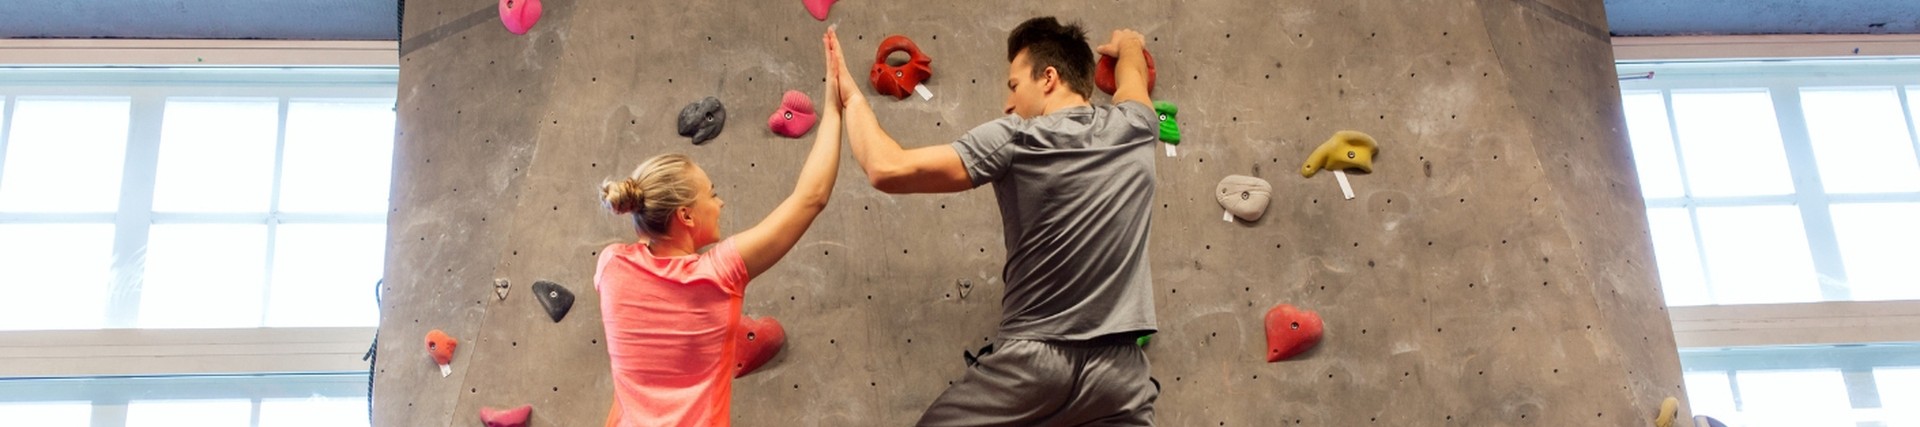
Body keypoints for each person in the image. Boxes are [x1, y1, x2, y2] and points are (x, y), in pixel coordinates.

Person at [823, 17, 1161, 426]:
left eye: (1014, 85)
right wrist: (1128, 44)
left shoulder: (1018, 137)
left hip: (1034, 363)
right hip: (1121, 378)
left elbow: (885, 168)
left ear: (1049, 78)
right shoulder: (1137, 126)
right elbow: (1132, 78)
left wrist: (850, 96)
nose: (1008, 102)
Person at [593, 29, 845, 427]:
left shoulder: (609, 267)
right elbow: (810, 197)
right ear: (686, 217)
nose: (720, 202)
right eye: (712, 194)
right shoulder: (717, 275)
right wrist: (835, 106)